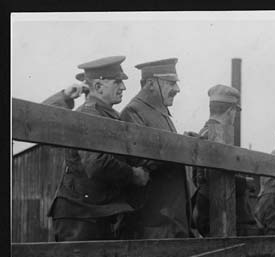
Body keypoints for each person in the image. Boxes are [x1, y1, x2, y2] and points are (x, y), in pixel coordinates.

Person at [47, 56, 150, 241]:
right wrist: (134, 175)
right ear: (98, 87)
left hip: (95, 212)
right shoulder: (89, 114)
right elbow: (97, 163)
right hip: (80, 216)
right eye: (117, 82)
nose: (124, 87)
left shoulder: (107, 116)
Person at [119, 58, 192, 239]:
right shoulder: (133, 112)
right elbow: (141, 160)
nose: (177, 89)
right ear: (151, 84)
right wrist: (182, 146)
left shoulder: (160, 112)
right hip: (154, 224)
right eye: (171, 83)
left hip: (172, 222)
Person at [187, 84, 257, 236]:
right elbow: (216, 179)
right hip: (218, 212)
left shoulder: (203, 133)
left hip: (207, 208)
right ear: (231, 111)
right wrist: (245, 182)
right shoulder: (216, 137)